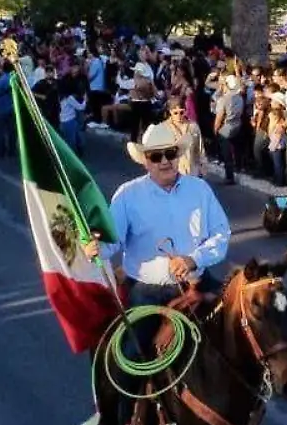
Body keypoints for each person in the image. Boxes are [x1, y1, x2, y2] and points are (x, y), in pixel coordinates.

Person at [83, 121, 231, 360]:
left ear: (177, 155)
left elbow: (221, 234)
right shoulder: (127, 195)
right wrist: (96, 248)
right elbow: (113, 240)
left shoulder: (200, 189)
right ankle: (121, 398)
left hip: (197, 284)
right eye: (156, 156)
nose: (164, 161)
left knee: (243, 335)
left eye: (170, 153)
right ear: (145, 161)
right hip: (146, 291)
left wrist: (193, 259)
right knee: (130, 355)